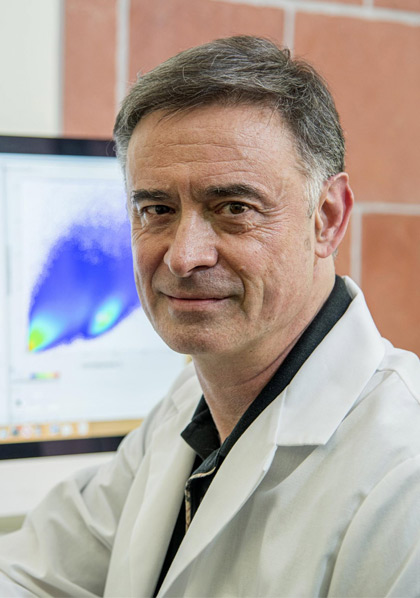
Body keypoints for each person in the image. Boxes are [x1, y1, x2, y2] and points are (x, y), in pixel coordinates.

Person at [0, 35, 419, 598]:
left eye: (233, 208)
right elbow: (33, 571)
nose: (183, 256)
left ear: (327, 218)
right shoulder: (192, 404)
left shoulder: (403, 474)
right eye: (157, 209)